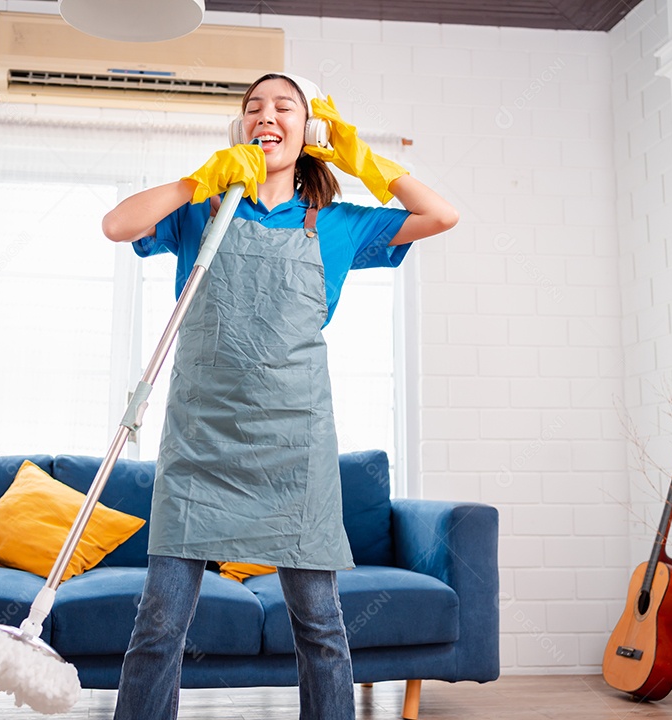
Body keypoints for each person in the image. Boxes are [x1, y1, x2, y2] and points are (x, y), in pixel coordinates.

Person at [102, 73, 458, 720]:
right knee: (158, 628)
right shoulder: (200, 213)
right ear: (241, 129)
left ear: (308, 130)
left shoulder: (340, 226)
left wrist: (364, 160)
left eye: (283, 106)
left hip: (295, 446)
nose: (266, 115)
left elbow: (441, 215)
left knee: (321, 630)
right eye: (253, 108)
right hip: (199, 446)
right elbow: (116, 224)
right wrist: (199, 180)